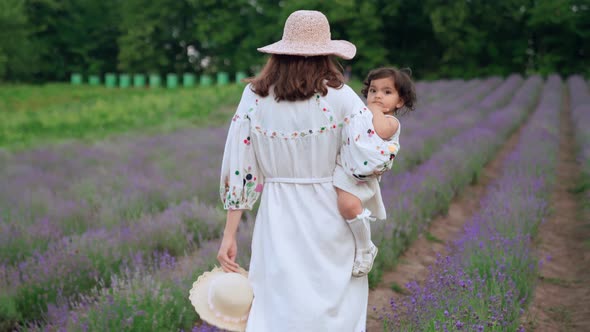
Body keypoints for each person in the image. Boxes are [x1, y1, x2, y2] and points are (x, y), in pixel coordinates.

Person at [216, 10, 389, 332]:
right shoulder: (342, 98)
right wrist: (389, 140)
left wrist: (229, 234)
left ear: (280, 53)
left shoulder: (254, 96)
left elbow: (239, 168)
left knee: (278, 303)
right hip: (331, 210)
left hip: (278, 214)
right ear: (326, 55)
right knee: (335, 304)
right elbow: (368, 162)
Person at [334, 67, 417, 277]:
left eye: (387, 92)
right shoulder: (362, 115)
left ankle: (365, 247)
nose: (378, 96)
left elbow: (379, 131)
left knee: (349, 205)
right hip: (346, 166)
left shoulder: (391, 122)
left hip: (361, 176)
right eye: (373, 90)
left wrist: (375, 110)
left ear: (399, 102)